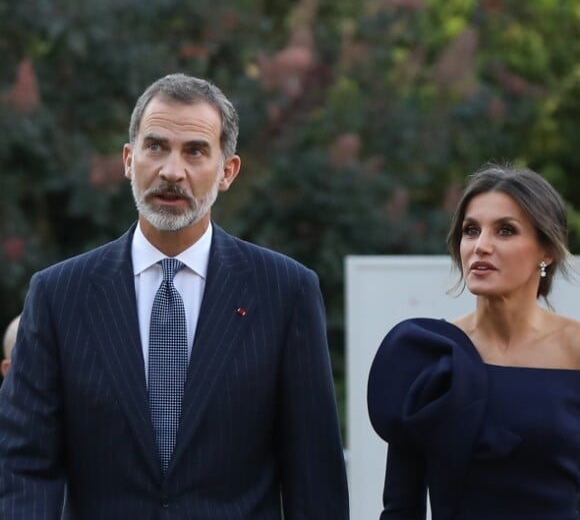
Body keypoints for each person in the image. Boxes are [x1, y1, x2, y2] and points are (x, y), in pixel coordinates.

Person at [0, 73, 349, 519]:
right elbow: (24, 466)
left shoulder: (286, 292)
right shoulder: (58, 295)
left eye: (195, 151)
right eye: (156, 147)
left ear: (228, 171)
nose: (171, 171)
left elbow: (315, 477)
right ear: (129, 160)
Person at [367, 163, 580, 519]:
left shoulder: (575, 350)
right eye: (471, 230)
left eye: (505, 231)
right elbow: (402, 507)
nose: (481, 246)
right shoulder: (428, 353)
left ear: (547, 251)